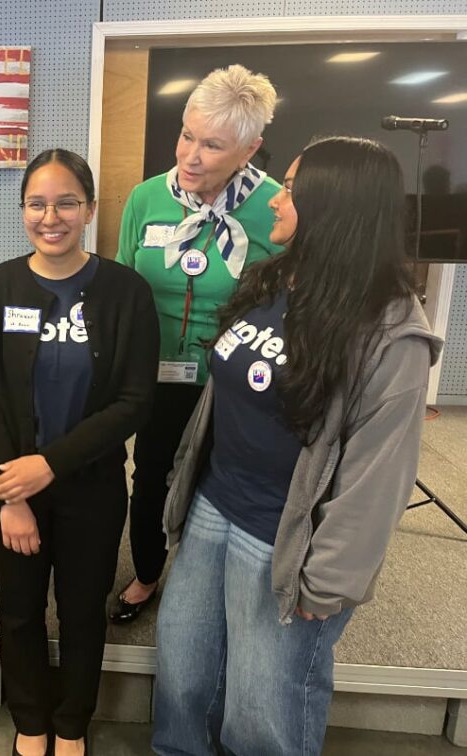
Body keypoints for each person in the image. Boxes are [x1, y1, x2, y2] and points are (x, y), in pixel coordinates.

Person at [152, 136, 443, 755]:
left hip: (284, 541)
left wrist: (330, 579)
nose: (275, 200)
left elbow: (379, 475)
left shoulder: (391, 330)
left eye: (291, 188)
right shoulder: (272, 280)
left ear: (333, 207)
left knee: (263, 713)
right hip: (213, 509)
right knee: (184, 682)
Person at [0, 149, 159, 756]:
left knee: (81, 611)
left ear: (91, 209)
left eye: (67, 202)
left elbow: (133, 401)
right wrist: (12, 495)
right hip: (8, 484)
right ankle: (30, 720)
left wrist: (49, 465)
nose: (52, 216)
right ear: (22, 209)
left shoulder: (126, 292)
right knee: (19, 609)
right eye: (37, 203)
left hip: (91, 486)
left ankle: (72, 724)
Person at [110, 64, 283, 624]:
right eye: (187, 135)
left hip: (235, 379)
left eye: (213, 145)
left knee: (220, 479)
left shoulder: (275, 209)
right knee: (153, 469)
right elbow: (122, 284)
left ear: (250, 148)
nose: (190, 156)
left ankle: (208, 583)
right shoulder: (145, 199)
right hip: (155, 370)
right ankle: (148, 572)